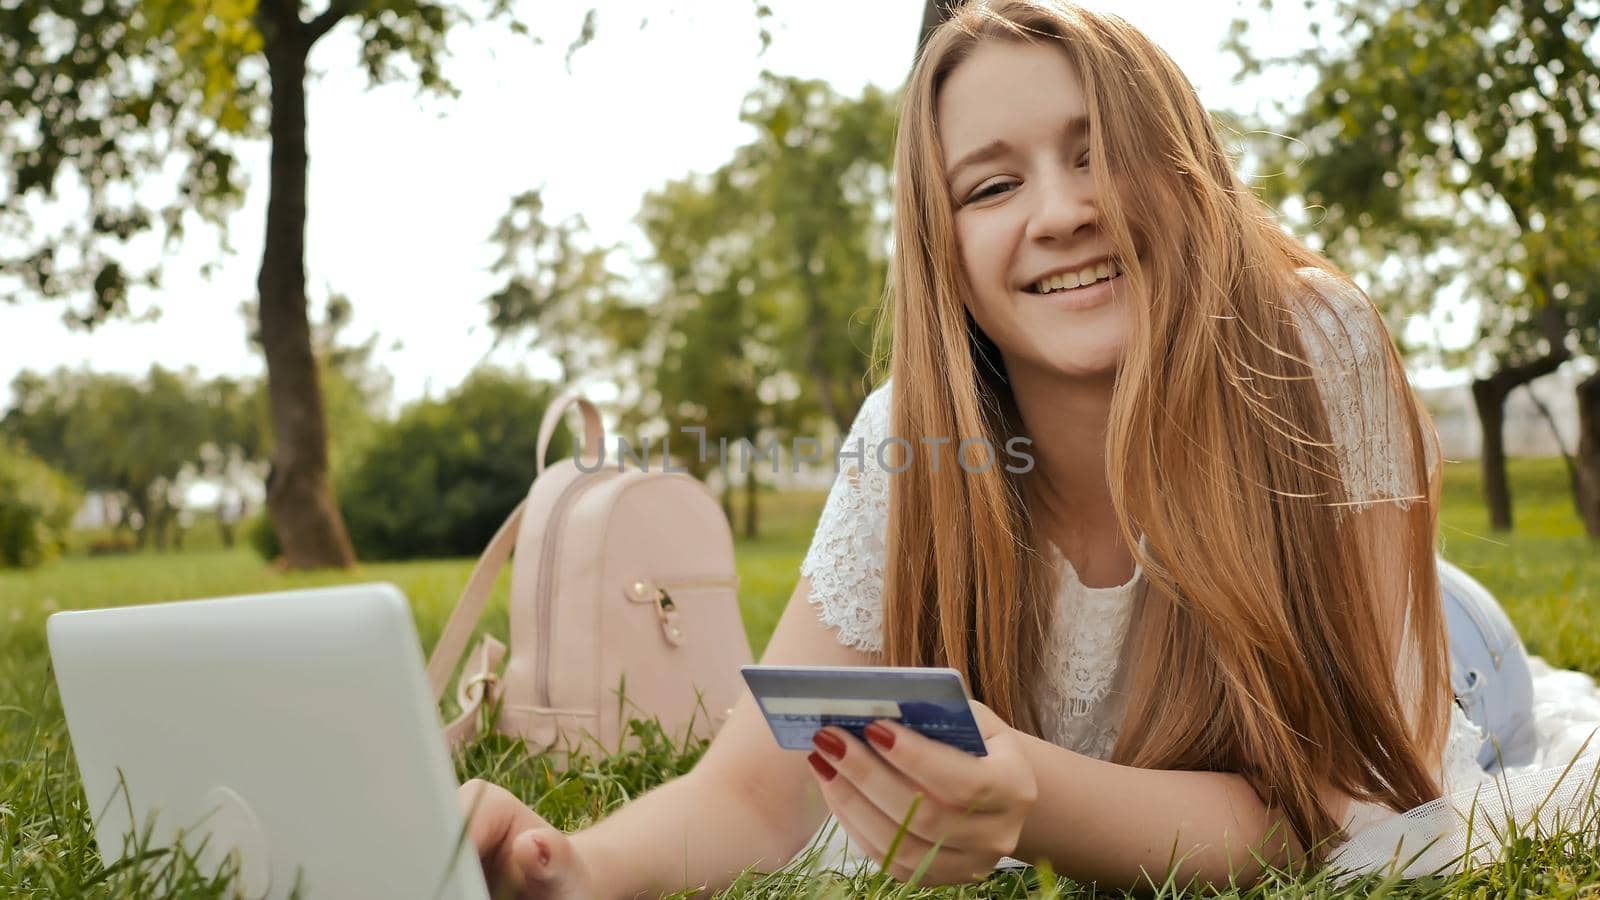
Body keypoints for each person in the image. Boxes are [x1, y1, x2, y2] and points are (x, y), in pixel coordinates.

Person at [457, 2, 1600, 896]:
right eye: (992, 185)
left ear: (1186, 173)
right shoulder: (909, 438)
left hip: (1441, 655)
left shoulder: (1311, 339)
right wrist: (578, 867)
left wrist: (1034, 792)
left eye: (1098, 153)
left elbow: (1347, 812)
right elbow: (759, 788)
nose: (1059, 211)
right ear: (941, 248)